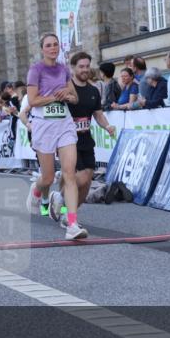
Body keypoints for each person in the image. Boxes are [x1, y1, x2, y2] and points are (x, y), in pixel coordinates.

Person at [24, 33, 89, 240]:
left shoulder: (63, 69)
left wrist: (66, 95)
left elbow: (74, 97)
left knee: (69, 174)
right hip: (43, 125)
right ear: (42, 49)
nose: (53, 48)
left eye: (55, 45)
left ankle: (72, 224)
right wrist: (54, 96)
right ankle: (37, 188)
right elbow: (33, 101)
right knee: (49, 177)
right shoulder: (36, 70)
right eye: (48, 45)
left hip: (64, 124)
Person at [55, 51, 116, 224]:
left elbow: (97, 114)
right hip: (67, 140)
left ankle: (66, 210)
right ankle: (61, 198)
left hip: (86, 139)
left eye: (87, 66)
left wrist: (107, 126)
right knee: (78, 178)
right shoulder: (65, 90)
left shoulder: (93, 91)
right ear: (73, 68)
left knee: (87, 181)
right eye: (81, 66)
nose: (85, 70)